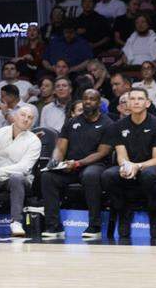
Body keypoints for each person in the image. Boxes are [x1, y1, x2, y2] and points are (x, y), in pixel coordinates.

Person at [40, 89, 113, 240]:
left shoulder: (107, 123)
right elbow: (60, 147)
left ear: (99, 103)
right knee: (48, 176)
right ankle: (54, 226)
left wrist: (78, 163)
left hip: (95, 165)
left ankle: (95, 226)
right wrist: (55, 161)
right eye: (85, 98)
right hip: (71, 166)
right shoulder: (72, 122)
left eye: (92, 99)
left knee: (90, 175)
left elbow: (102, 152)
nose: (87, 101)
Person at [100, 86, 156, 240]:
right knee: (107, 175)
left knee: (148, 175)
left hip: (154, 169)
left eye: (140, 99)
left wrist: (137, 166)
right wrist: (125, 166)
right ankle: (123, 211)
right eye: (132, 99)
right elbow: (121, 155)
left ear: (147, 103)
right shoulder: (118, 126)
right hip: (130, 166)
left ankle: (154, 213)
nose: (136, 102)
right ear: (127, 104)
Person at [0, 104, 41, 237]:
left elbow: (24, 167)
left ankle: (16, 221)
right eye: (23, 115)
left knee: (17, 177)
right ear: (15, 117)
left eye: (30, 118)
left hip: (19, 180)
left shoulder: (34, 141)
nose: (26, 119)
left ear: (32, 122)